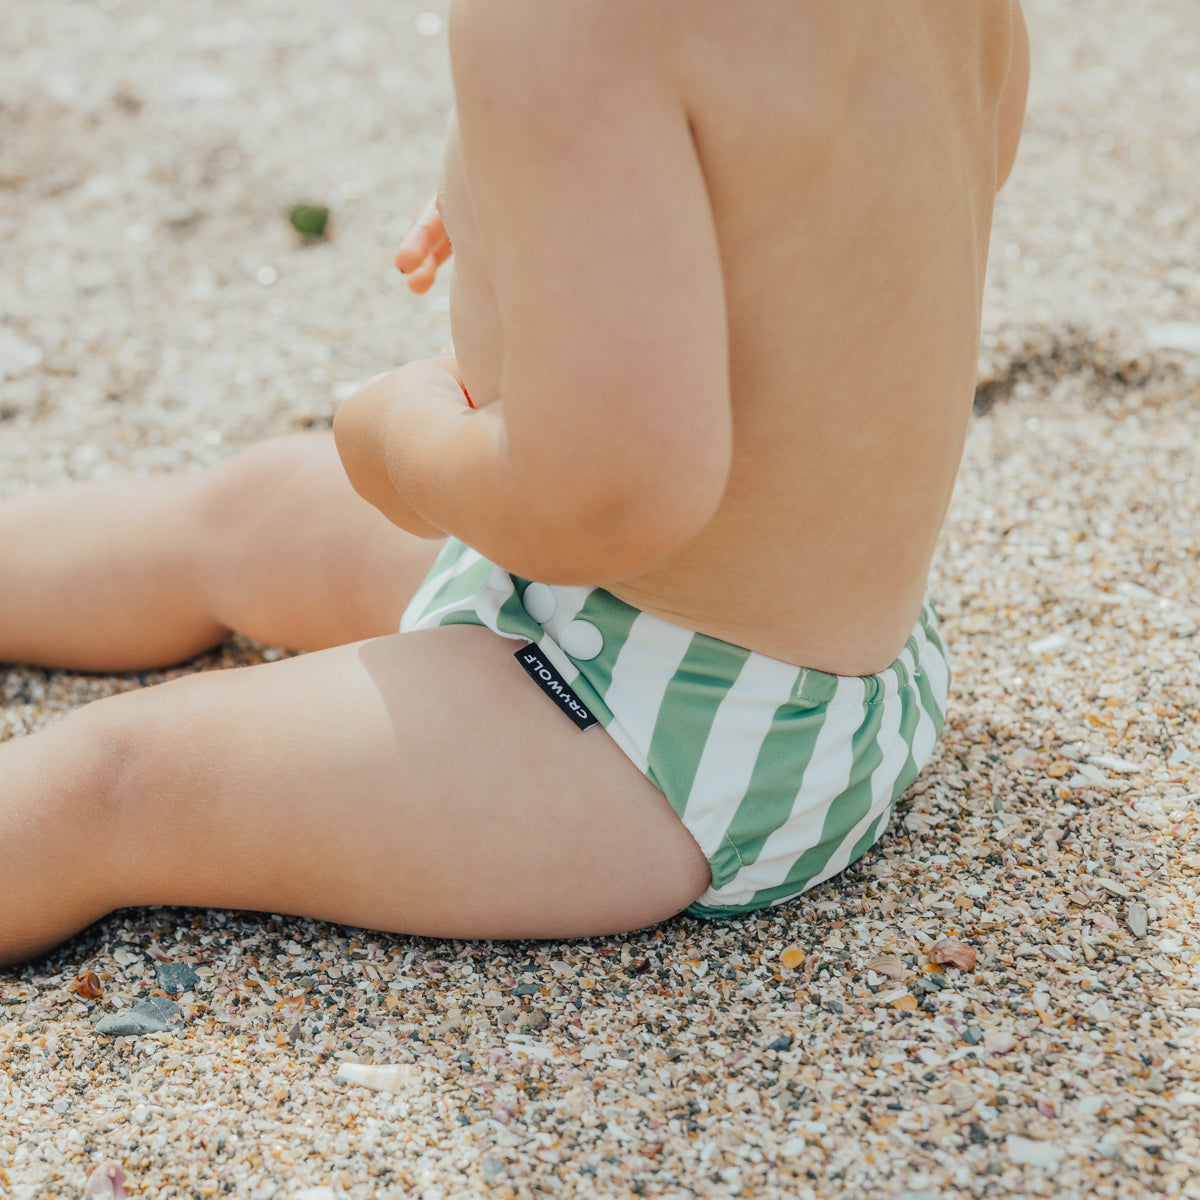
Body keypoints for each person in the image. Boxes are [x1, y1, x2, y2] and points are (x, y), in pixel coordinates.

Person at [0, 0, 1029, 965]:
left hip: (670, 731)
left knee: (114, 785)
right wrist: (582, 198)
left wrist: (400, 447)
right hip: (771, 618)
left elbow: (607, 501)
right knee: (248, 515)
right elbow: (939, 156)